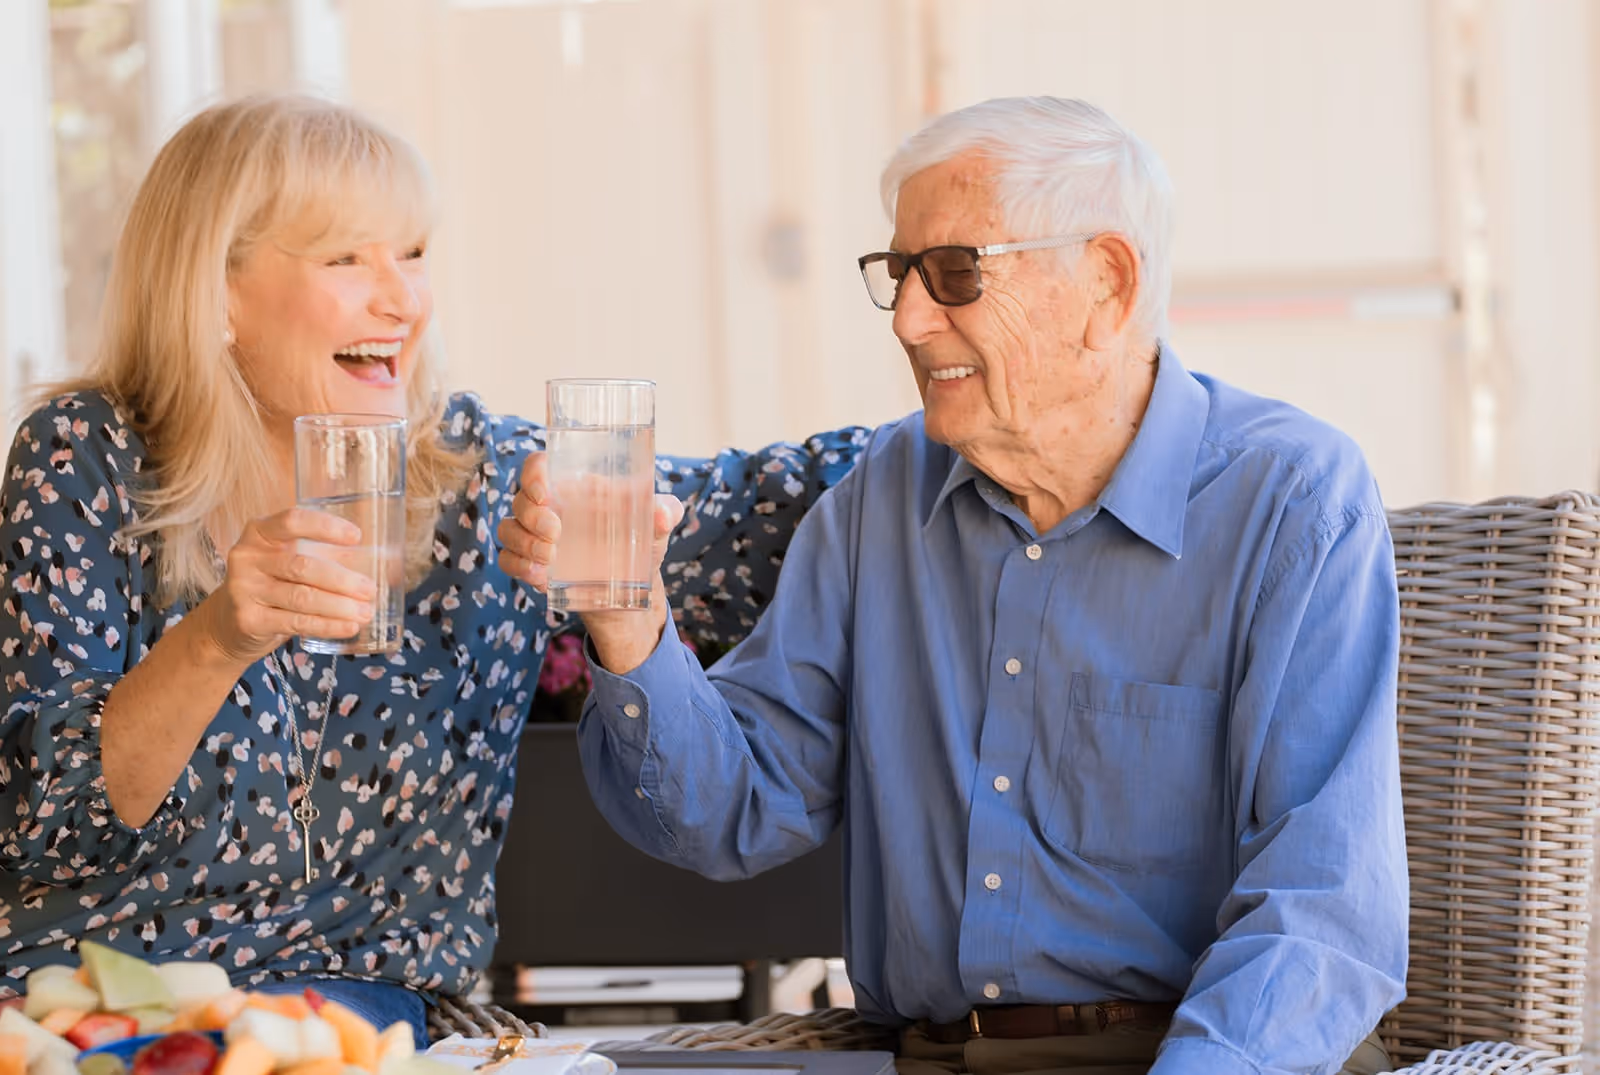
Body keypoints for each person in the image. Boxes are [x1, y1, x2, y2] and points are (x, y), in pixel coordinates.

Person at [505, 97, 1408, 1075]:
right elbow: (735, 810)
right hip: (919, 1058)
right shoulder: (880, 498)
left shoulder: (1290, 502)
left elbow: (1323, 915)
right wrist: (627, 616)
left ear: (1104, 282)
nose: (905, 316)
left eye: (954, 273)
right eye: (897, 274)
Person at [0, 94, 864, 1045]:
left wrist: (623, 554)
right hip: (86, 1012)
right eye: (345, 257)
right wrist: (217, 638)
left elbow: (786, 507)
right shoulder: (90, 458)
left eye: (411, 253)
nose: (403, 300)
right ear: (218, 290)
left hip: (362, 1025)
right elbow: (47, 826)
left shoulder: (480, 475)